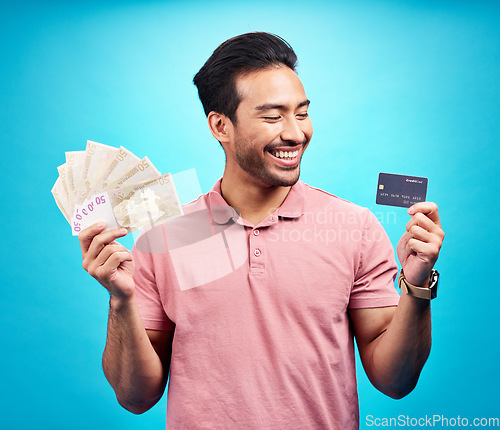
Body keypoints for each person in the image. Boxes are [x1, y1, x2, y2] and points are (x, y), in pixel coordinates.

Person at [79, 32, 445, 429]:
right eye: (273, 116)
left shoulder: (353, 227)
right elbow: (135, 397)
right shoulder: (170, 232)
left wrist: (418, 286)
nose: (295, 133)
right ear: (221, 126)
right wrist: (121, 301)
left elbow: (395, 381)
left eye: (301, 113)